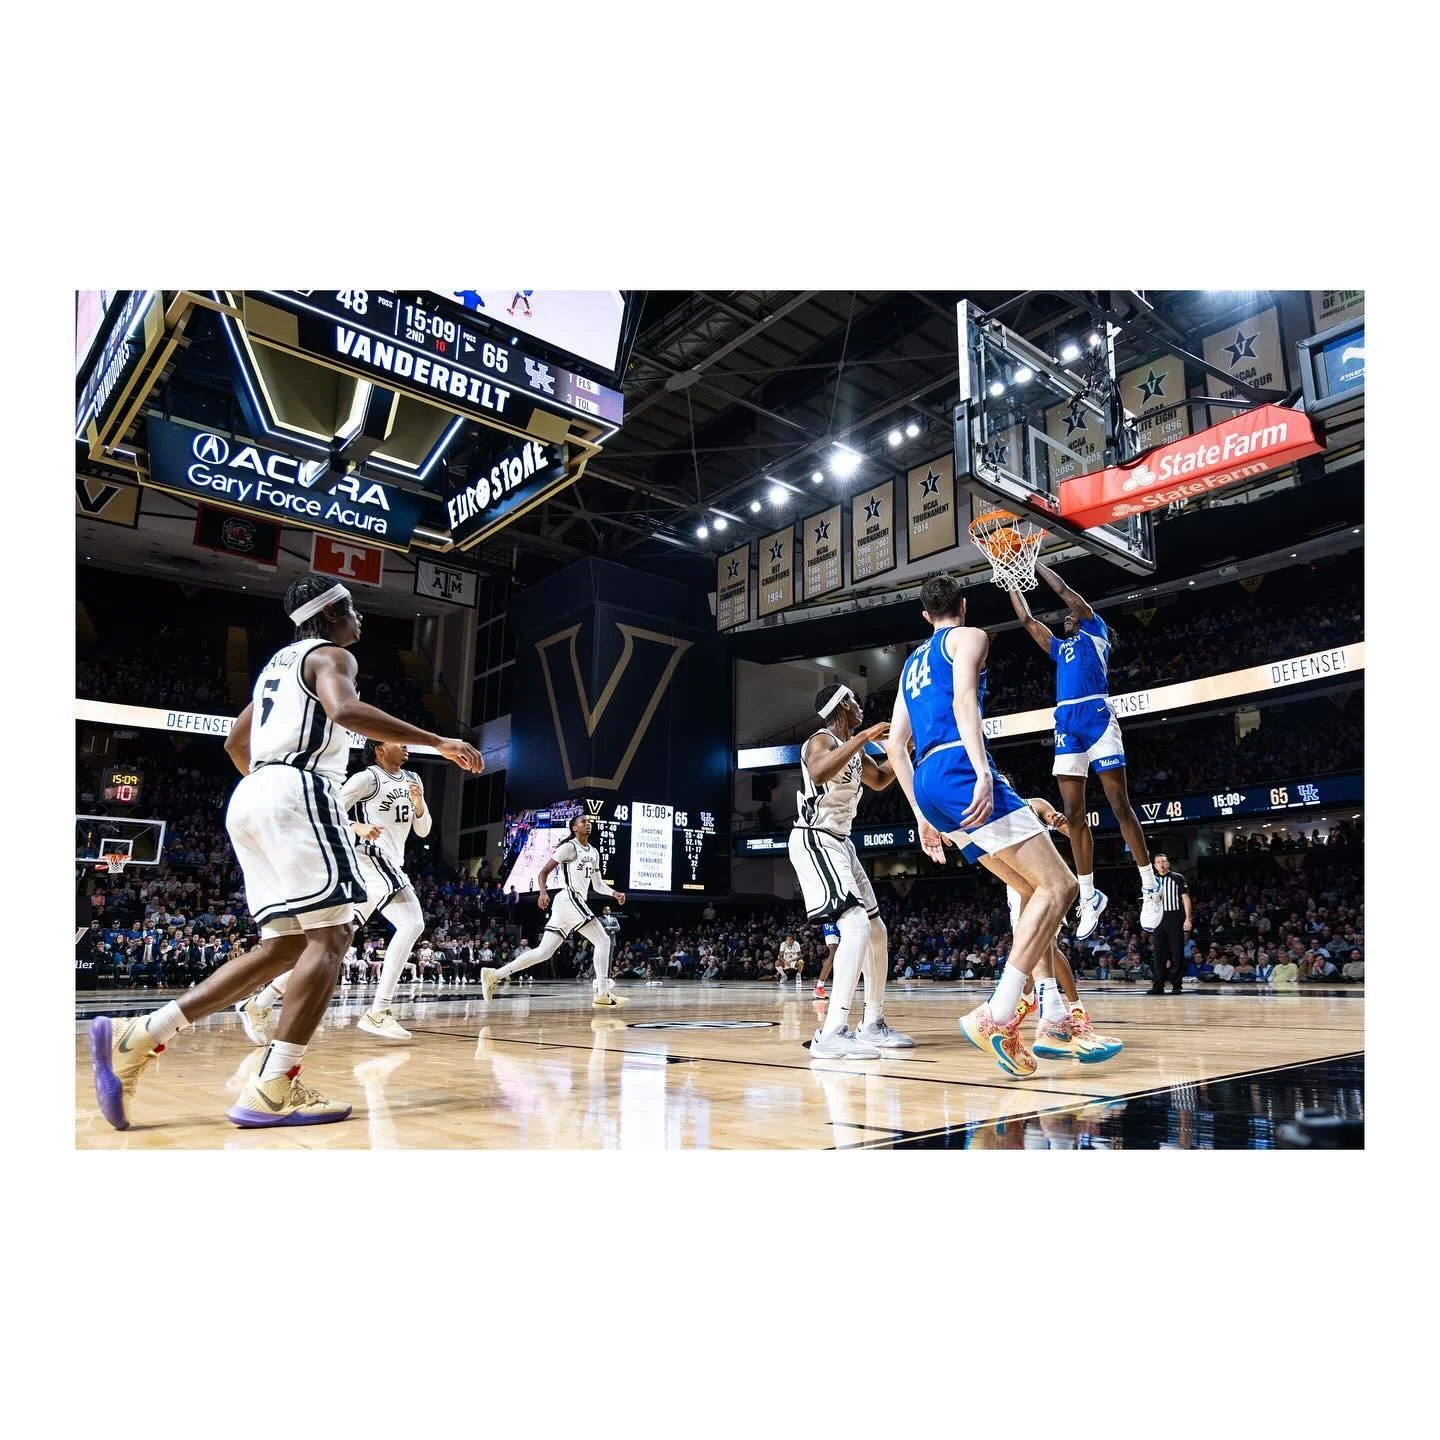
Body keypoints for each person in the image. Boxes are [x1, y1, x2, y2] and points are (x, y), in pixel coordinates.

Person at [86, 576, 482, 1130]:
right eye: (353, 609)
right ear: (331, 617)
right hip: (298, 788)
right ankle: (273, 1085)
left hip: (251, 795)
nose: (360, 619)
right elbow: (344, 712)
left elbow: (234, 744)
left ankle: (143, 1034)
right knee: (334, 936)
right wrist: (436, 741)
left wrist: (270, 794)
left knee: (283, 947)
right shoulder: (332, 656)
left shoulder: (275, 667)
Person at [885, 572, 1077, 1078]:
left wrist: (923, 816)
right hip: (958, 766)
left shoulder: (910, 665)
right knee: (1062, 885)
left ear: (925, 615)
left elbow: (893, 748)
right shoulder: (969, 637)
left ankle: (1053, 1016)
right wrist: (982, 773)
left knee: (1034, 890)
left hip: (928, 779)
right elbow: (964, 700)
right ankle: (997, 1013)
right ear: (964, 607)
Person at [235, 740, 434, 1043]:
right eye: (398, 742)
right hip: (371, 858)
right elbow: (330, 810)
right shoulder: (367, 778)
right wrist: (356, 826)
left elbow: (423, 830)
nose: (406, 746)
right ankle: (378, 1011)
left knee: (334, 946)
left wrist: (419, 805)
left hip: (390, 863)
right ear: (379, 749)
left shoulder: (413, 780)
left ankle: (259, 1003)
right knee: (412, 922)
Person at [1009, 561, 1163, 939]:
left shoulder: (1095, 631)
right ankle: (1090, 895)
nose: (1065, 618)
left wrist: (1034, 564)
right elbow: (1028, 621)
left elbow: (1064, 591)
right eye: (1063, 618)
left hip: (1096, 714)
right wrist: (1012, 577)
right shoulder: (1061, 650)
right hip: (1066, 722)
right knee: (1073, 814)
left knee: (1118, 803)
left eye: (1070, 615)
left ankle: (1149, 885)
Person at [786, 684, 914, 1057]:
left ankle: (872, 1023)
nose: (861, 705)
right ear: (843, 705)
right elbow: (820, 770)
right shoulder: (820, 741)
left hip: (843, 842)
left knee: (876, 931)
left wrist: (904, 745)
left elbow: (880, 779)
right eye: (855, 700)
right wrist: (864, 736)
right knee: (855, 924)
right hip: (815, 838)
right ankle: (832, 1032)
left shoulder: (853, 752)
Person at [481, 814, 626, 1006]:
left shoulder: (594, 852)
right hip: (569, 898)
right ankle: (602, 992)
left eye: (589, 822)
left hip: (570, 904)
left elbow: (597, 885)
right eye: (583, 822)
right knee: (603, 940)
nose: (588, 824)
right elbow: (543, 873)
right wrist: (542, 892)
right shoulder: (569, 847)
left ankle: (494, 974)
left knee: (544, 952)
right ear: (574, 828)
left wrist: (614, 893)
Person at [1145, 852, 1193, 995]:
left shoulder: (1178, 878)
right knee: (1159, 952)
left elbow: (1186, 899)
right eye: (1158, 862)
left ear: (1168, 863)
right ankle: (1158, 985)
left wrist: (1188, 918)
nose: (1162, 864)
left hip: (1174, 917)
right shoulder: (1151, 880)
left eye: (1164, 861)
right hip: (1158, 919)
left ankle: (1177, 984)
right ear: (1154, 865)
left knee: (1177, 952)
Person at [813, 921, 838, 999]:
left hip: (840, 922)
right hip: (832, 922)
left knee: (840, 955)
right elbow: (814, 924)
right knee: (833, 954)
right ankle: (819, 987)